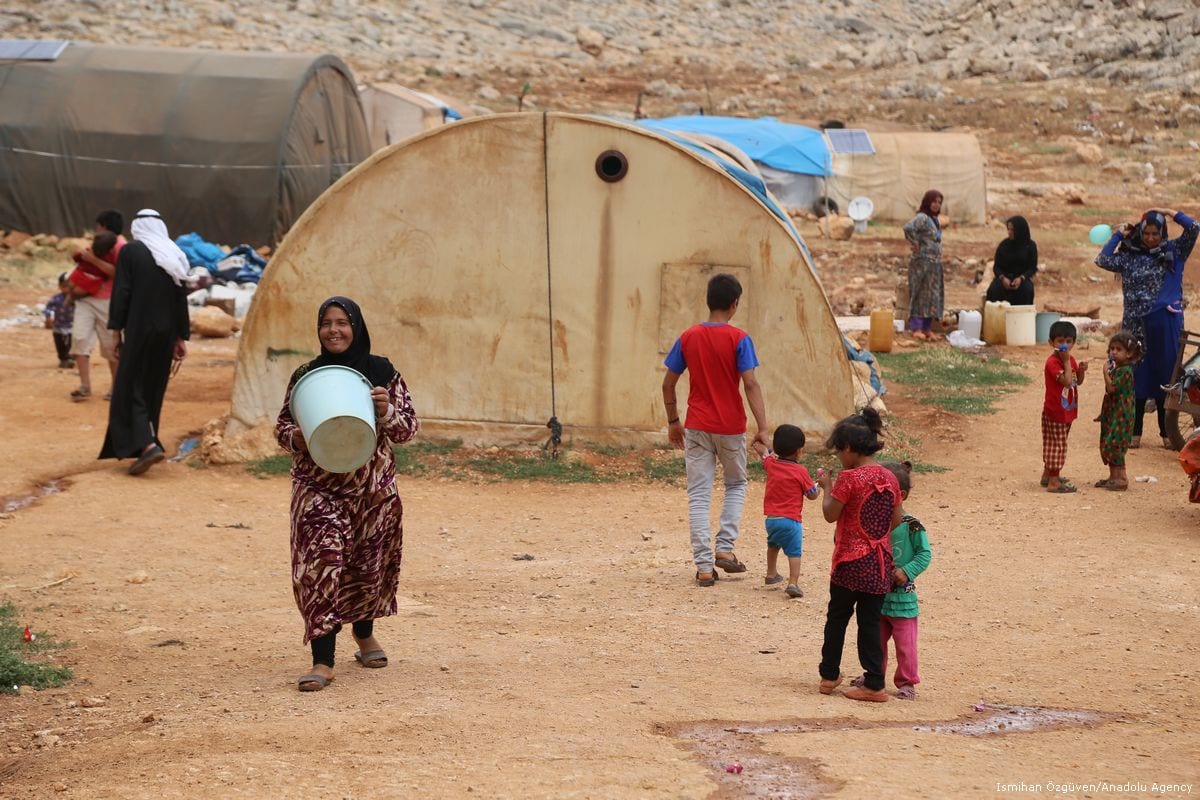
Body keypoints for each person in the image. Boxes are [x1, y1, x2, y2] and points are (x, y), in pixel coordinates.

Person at [275, 297, 419, 692]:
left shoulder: (381, 373)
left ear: (357, 327)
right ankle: (322, 661)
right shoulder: (307, 375)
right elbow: (282, 425)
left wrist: (387, 410)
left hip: (372, 493)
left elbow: (408, 430)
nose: (333, 330)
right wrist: (297, 439)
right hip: (318, 488)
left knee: (366, 565)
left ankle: (364, 633)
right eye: (326, 323)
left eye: (342, 322)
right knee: (321, 565)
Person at [662, 273, 771, 588]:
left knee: (699, 494)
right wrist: (763, 428)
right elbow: (750, 382)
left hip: (696, 425)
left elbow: (668, 382)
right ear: (735, 304)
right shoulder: (740, 339)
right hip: (731, 427)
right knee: (736, 484)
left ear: (709, 301)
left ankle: (705, 568)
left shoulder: (688, 337)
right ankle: (724, 547)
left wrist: (673, 422)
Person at [814, 407, 902, 703]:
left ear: (850, 448)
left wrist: (827, 488)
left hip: (849, 564)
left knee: (837, 618)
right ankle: (875, 681)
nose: (839, 456)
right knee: (870, 622)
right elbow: (897, 520)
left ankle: (829, 675)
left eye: (839, 451)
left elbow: (830, 514)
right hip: (879, 564)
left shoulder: (848, 478)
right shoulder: (890, 477)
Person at [1095, 208, 1199, 448]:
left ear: (1162, 232)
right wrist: (1119, 236)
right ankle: (1135, 432)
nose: (1151, 238)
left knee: (1165, 375)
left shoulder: (1174, 250)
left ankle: (1166, 434)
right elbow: (1102, 259)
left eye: (1155, 233)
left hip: (1164, 325)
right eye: (1146, 233)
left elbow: (1194, 228)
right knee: (1136, 376)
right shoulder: (1129, 255)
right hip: (1135, 325)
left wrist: (1172, 213)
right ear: (1140, 232)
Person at [99, 209, 190, 476]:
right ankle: (144, 443)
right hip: (166, 332)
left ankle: (147, 444)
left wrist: (116, 332)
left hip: (139, 330)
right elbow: (179, 298)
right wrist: (180, 336)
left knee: (130, 386)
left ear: (138, 228)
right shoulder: (173, 253)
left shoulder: (131, 252)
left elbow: (122, 292)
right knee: (153, 385)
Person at [851, 461, 931, 700]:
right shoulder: (876, 523)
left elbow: (924, 554)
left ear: (901, 495)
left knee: (905, 645)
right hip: (877, 596)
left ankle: (907, 682)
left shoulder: (912, 527)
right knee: (875, 641)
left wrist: (906, 571)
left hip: (903, 600)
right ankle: (875, 675)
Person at [69, 210, 126, 402]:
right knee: (79, 338)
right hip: (87, 298)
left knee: (111, 345)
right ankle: (85, 386)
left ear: (103, 226)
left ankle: (115, 387)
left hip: (107, 300)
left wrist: (92, 260)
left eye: (98, 226)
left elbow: (120, 274)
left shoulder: (121, 247)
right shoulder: (100, 243)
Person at [761, 424, 820, 599]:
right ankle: (793, 583)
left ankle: (771, 574)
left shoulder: (771, 464)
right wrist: (818, 487)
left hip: (771, 520)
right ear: (799, 451)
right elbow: (812, 495)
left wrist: (761, 447)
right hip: (791, 521)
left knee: (773, 545)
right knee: (794, 552)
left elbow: (765, 456)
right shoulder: (801, 471)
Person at [1040, 320, 1088, 494]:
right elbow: (1067, 381)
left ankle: (1048, 475)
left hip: (1067, 410)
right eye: (1060, 341)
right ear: (1052, 343)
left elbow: (1077, 382)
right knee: (1057, 445)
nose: (1065, 345)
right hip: (1056, 411)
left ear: (1074, 342)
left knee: (1057, 442)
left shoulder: (1071, 360)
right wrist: (1067, 363)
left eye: (1068, 341)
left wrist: (1081, 370)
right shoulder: (1053, 362)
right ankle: (1054, 481)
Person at [1095, 332, 1141, 491]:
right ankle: (1113, 477)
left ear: (1129, 353)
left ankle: (1121, 478)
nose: (1113, 352)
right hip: (1115, 414)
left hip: (1121, 416)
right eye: (1111, 349)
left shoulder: (1125, 371)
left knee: (1114, 444)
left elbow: (1112, 388)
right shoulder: (1119, 369)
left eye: (1118, 349)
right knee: (1109, 442)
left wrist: (1105, 373)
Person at [902, 190, 945, 340]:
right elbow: (908, 228)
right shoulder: (922, 217)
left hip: (934, 265)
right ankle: (916, 328)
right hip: (922, 264)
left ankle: (927, 328)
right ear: (927, 202)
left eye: (939, 202)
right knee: (920, 294)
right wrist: (915, 243)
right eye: (934, 201)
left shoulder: (935, 219)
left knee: (932, 296)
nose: (936, 205)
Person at [985, 215, 1037, 305]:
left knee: (1027, 290)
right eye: (1008, 229)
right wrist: (1002, 278)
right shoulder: (1004, 245)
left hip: (1022, 280)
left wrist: (1021, 278)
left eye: (1012, 230)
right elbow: (997, 266)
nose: (1009, 232)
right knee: (994, 290)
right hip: (1004, 280)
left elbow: (1032, 268)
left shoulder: (1030, 246)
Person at [44, 273, 75, 369]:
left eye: (68, 286)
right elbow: (48, 307)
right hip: (58, 325)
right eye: (63, 286)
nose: (66, 289)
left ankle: (70, 358)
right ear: (59, 287)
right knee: (60, 344)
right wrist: (48, 317)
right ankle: (63, 359)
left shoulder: (76, 298)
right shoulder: (56, 298)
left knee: (71, 343)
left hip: (72, 326)